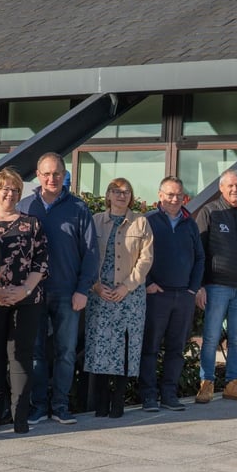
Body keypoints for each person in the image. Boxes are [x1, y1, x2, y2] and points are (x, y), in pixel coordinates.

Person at [20, 152, 98, 426]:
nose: (51, 178)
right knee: (37, 352)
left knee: (66, 352)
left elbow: (90, 252)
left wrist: (82, 290)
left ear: (65, 175)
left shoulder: (78, 208)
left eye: (56, 174)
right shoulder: (26, 206)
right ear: (38, 175)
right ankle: (39, 406)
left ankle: (61, 406)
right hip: (33, 293)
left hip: (68, 293)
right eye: (46, 173)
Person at [0, 168, 48, 435]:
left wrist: (25, 290)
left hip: (27, 300)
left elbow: (41, 261)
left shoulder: (32, 223)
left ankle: (20, 417)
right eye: (5, 188)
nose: (10, 193)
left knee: (20, 357)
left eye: (15, 189)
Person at [84, 178, 153, 418]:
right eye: (116, 191)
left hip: (129, 296)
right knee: (100, 348)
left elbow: (145, 260)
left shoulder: (141, 223)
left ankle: (118, 403)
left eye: (126, 192)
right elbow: (86, 255)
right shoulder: (95, 222)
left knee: (125, 348)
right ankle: (100, 405)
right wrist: (95, 287)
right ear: (108, 195)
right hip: (100, 294)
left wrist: (127, 286)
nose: (121, 196)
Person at [194, 169, 237, 404]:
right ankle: (206, 383)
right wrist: (200, 285)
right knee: (211, 337)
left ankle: (232, 383)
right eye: (230, 186)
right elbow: (199, 252)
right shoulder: (210, 212)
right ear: (221, 188)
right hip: (216, 287)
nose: (235, 189)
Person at [140, 176, 204, 413]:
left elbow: (199, 258)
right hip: (157, 295)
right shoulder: (148, 221)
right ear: (160, 195)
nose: (175, 199)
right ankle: (148, 396)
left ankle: (169, 394)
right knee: (150, 347)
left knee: (177, 348)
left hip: (183, 296)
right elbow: (136, 254)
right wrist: (147, 283)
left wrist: (192, 288)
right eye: (170, 194)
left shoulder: (190, 223)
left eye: (179, 195)